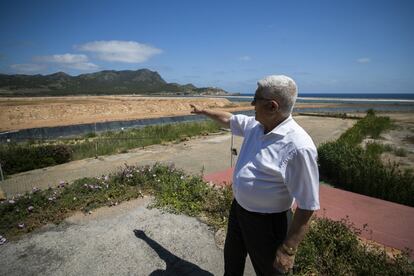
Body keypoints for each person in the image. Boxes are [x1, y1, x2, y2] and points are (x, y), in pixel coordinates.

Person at [190, 75, 319, 275]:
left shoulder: (298, 147)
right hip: (239, 211)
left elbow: (308, 205)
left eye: (255, 99)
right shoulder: (256, 126)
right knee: (232, 261)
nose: (251, 104)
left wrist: (288, 250)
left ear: (272, 107)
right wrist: (203, 111)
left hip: (269, 225)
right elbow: (228, 119)